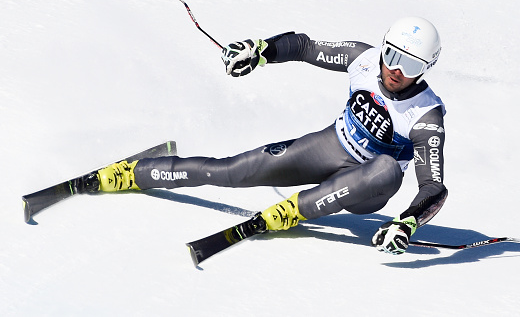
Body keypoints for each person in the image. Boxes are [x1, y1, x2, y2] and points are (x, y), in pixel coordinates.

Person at [95, 16, 448, 255]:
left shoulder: (426, 115)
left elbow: (433, 186)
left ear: (426, 69)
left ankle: (294, 211)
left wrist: (407, 222)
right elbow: (306, 47)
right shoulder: (364, 59)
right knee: (232, 171)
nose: (396, 71)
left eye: (412, 65)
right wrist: (261, 50)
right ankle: (134, 173)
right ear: (382, 47)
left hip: (367, 187)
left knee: (386, 167)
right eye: (392, 55)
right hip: (329, 146)